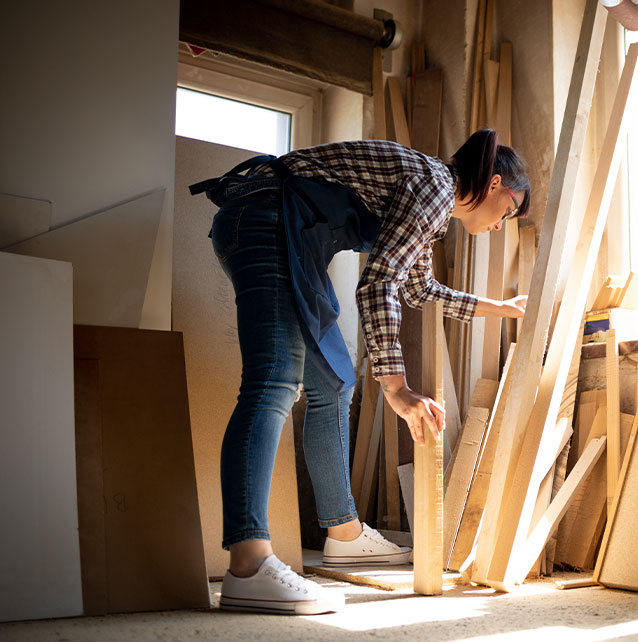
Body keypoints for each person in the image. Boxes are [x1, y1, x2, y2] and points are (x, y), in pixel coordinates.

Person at [190, 129, 530, 615]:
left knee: (333, 382)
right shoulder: (434, 184)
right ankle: (247, 564)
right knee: (274, 381)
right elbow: (378, 285)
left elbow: (418, 288)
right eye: (511, 210)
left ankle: (343, 532)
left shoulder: (431, 207)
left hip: (287, 233)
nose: (503, 224)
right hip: (265, 217)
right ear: (495, 183)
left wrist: (499, 307)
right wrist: (396, 386)